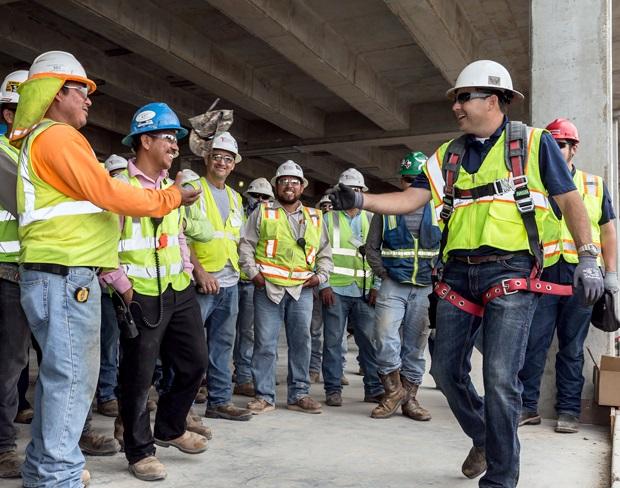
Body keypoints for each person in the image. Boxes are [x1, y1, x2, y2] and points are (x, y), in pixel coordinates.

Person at [327, 60, 604, 488]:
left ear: (492, 99)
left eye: (463, 97)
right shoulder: (448, 154)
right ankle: (485, 437)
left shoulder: (533, 144)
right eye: (456, 98)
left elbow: (569, 199)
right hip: (457, 273)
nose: (455, 106)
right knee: (445, 370)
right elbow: (411, 198)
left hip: (511, 271)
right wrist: (360, 200)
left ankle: (500, 479)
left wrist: (588, 256)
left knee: (498, 376)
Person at [12, 50, 201, 488]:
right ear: (58, 93)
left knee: (62, 379)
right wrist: (171, 197)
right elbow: (106, 193)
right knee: (73, 379)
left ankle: (45, 467)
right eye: (82, 90)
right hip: (64, 274)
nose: (89, 100)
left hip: (57, 274)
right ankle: (56, 477)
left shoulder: (42, 139)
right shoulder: (57, 137)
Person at [100, 102, 210, 481]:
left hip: (178, 290)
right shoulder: (120, 188)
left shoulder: (172, 189)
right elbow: (102, 246)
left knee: (195, 362)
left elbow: (176, 234)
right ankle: (139, 450)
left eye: (176, 139)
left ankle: (169, 425)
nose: (175, 146)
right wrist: (123, 288)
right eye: (168, 138)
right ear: (145, 141)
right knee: (137, 376)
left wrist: (186, 269)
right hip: (139, 294)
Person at [519, 118, 617, 433]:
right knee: (534, 344)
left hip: (583, 277)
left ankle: (569, 412)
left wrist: (611, 274)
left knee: (572, 348)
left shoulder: (594, 184)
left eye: (560, 145)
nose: (555, 150)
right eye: (551, 145)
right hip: (544, 273)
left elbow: (607, 231)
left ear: (573, 149)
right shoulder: (532, 184)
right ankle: (526, 407)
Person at [239, 160, 332, 414]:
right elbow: (246, 244)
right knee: (265, 343)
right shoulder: (263, 212)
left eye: (294, 181)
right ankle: (264, 396)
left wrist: (320, 276)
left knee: (302, 342)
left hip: (301, 290)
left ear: (302, 187)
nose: (289, 185)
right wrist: (254, 274)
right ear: (276, 186)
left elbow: (324, 252)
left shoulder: (315, 217)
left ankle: (299, 394)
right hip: (268, 288)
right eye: (284, 181)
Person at [365, 152, 440, 421]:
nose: (412, 185)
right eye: (408, 179)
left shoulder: (440, 210)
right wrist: (384, 274)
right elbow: (371, 248)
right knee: (384, 337)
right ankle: (394, 392)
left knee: (415, 345)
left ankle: (410, 400)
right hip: (393, 285)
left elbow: (447, 248)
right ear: (401, 180)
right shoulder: (386, 209)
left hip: (424, 288)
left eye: (418, 179)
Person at [186, 131, 253, 421]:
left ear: (234, 164)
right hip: (201, 281)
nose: (222, 163)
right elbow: (181, 234)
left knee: (222, 345)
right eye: (217, 157)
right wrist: (199, 271)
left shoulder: (236, 198)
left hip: (229, 280)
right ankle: (183, 406)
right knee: (189, 347)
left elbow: (237, 238)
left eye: (228, 159)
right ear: (207, 159)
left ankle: (219, 401)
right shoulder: (193, 189)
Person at [319, 168, 382, 407]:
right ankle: (333, 389)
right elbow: (319, 253)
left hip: (365, 291)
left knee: (369, 342)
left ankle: (374, 388)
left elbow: (378, 255)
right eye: (348, 190)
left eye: (356, 190)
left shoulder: (371, 219)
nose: (352, 194)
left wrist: (376, 285)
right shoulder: (328, 218)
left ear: (362, 193)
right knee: (334, 342)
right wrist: (324, 284)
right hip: (335, 290)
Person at [0, 69, 30, 479]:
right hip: (6, 273)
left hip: (33, 271)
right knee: (8, 365)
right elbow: (27, 203)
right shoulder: (4, 155)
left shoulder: (30, 156)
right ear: (9, 114)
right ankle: (4, 447)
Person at [233, 177, 274, 397]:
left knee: (247, 333)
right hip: (230, 277)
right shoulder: (236, 213)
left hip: (253, 282)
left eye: (264, 197)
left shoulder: (272, 220)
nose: (259, 200)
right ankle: (209, 378)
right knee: (224, 333)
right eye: (255, 195)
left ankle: (243, 377)